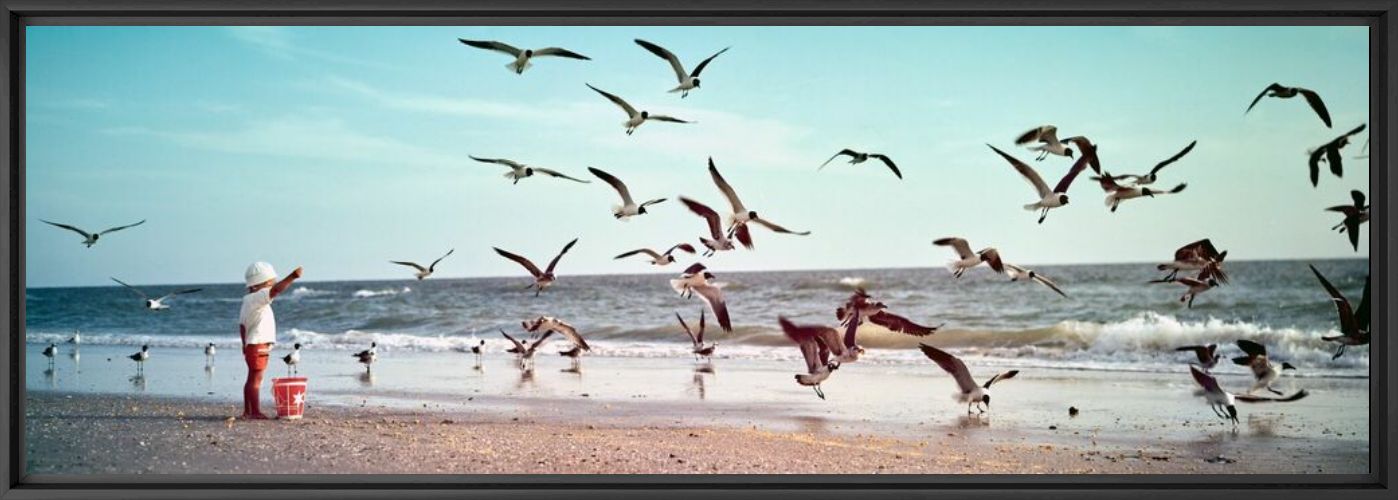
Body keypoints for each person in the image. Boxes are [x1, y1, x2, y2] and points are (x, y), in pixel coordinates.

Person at [239, 261, 303, 419]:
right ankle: (254, 412)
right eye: (270, 282)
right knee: (256, 379)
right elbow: (276, 290)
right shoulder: (259, 297)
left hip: (252, 344)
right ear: (259, 284)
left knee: (251, 378)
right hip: (258, 344)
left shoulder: (247, 300)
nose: (273, 284)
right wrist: (292, 277)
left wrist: (244, 344)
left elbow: (242, 326)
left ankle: (248, 411)